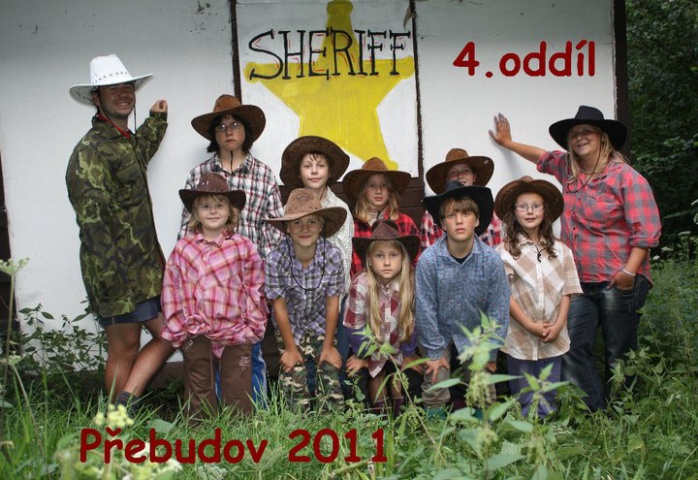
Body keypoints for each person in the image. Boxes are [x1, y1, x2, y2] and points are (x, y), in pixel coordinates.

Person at [489, 105, 661, 411]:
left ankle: (622, 412)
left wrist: (629, 272)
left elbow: (646, 231)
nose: (580, 137)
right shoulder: (569, 170)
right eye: (574, 134)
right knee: (572, 346)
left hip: (618, 279)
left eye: (586, 132)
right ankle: (595, 411)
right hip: (579, 281)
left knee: (619, 350)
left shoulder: (626, 178)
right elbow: (541, 157)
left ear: (602, 137)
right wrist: (508, 143)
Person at [66, 54, 173, 408]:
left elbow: (138, 154)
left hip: (144, 269)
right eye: (113, 89)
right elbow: (93, 225)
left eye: (127, 87)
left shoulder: (122, 140)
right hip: (116, 272)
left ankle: (124, 403)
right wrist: (115, 282)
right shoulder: (90, 151)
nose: (123, 94)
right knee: (124, 347)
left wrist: (156, 121)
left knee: (170, 333)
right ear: (96, 98)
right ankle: (115, 421)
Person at [182, 94, 283, 404]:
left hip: (247, 282)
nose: (228, 131)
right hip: (209, 283)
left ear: (246, 131)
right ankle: (219, 414)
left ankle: (256, 414)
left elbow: (274, 233)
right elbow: (187, 230)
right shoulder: (199, 175)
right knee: (211, 351)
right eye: (222, 126)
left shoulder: (264, 174)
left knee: (249, 351)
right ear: (214, 134)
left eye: (235, 124)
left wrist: (267, 282)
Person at [161, 173, 267, 421]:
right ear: (195, 213)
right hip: (195, 332)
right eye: (205, 206)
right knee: (198, 386)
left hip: (235, 331)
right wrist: (178, 328)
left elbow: (255, 287)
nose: (213, 211)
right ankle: (200, 434)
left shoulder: (243, 247)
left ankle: (239, 433)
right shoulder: (183, 249)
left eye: (219, 205)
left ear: (230, 211)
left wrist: (253, 326)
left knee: (238, 388)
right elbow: (171, 288)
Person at [416, 181, 509, 415]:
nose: (459, 220)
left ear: (476, 220)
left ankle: (483, 431)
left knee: (482, 389)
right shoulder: (429, 261)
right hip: (438, 330)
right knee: (435, 383)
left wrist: (489, 351)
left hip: (477, 332)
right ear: (442, 223)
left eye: (466, 213)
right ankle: (435, 431)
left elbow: (498, 309)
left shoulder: (491, 260)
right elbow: (425, 310)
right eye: (451, 215)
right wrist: (434, 353)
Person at [494, 176, 582, 418]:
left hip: (553, 331)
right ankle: (526, 426)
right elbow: (504, 294)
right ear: (514, 213)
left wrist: (559, 324)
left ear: (545, 211)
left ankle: (547, 423)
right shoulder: (504, 252)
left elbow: (568, 290)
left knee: (549, 385)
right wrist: (528, 324)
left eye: (536, 206)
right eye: (522, 206)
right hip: (520, 333)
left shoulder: (562, 250)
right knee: (523, 388)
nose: (530, 211)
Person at [279, 136, 354, 398]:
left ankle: (332, 410)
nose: (314, 171)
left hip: (332, 299)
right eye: (307, 166)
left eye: (320, 166)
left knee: (331, 361)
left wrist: (335, 297)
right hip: (299, 301)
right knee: (302, 364)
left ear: (329, 172)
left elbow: (344, 258)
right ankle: (305, 408)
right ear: (299, 172)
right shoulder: (289, 208)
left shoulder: (340, 208)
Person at [264, 189, 347, 413]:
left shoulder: (332, 256)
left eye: (312, 222)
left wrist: (328, 346)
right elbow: (279, 307)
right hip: (289, 325)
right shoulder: (274, 260)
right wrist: (290, 350)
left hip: (321, 322)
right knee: (293, 377)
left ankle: (331, 422)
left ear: (321, 226)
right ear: (287, 228)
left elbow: (332, 303)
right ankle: (296, 422)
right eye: (297, 223)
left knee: (330, 372)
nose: (304, 228)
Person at [343, 220, 422, 414]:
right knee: (358, 383)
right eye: (379, 255)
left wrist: (408, 355)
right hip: (367, 349)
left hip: (401, 349)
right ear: (370, 260)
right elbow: (354, 329)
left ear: (403, 258)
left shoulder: (411, 283)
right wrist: (367, 358)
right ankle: (378, 420)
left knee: (408, 382)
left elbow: (415, 325)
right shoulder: (361, 285)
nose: (387, 262)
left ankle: (402, 419)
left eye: (393, 255)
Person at [342, 157, 420, 278]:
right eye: (372, 185)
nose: (378, 191)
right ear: (364, 191)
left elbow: (417, 264)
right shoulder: (353, 227)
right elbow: (349, 269)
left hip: (400, 288)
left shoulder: (405, 222)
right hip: (363, 288)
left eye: (383, 185)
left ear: (390, 191)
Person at [420, 148, 503, 249]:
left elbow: (498, 250)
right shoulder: (431, 216)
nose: (460, 176)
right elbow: (428, 253)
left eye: (466, 171)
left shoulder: (490, 211)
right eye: (453, 172)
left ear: (474, 176)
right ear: (447, 179)